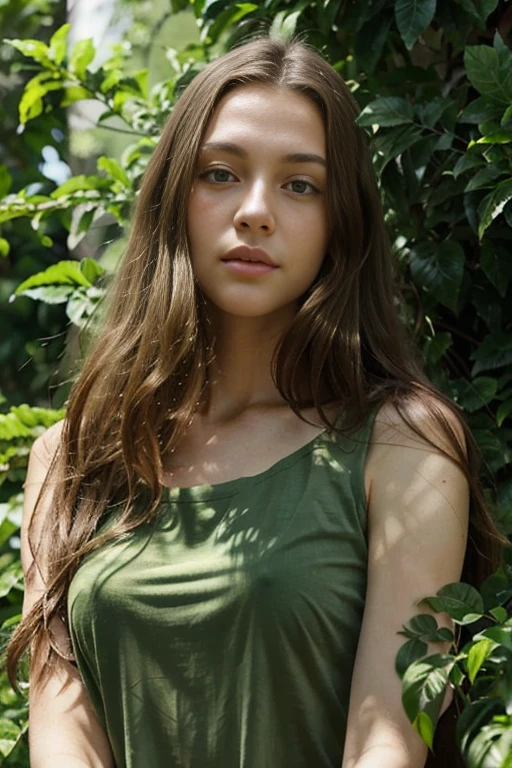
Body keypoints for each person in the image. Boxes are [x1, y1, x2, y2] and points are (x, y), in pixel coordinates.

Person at [6, 34, 505, 768]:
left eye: (301, 185)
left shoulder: (404, 446)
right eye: (220, 174)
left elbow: (390, 741)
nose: (256, 211)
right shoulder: (71, 460)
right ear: (173, 198)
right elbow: (61, 732)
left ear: (341, 222)